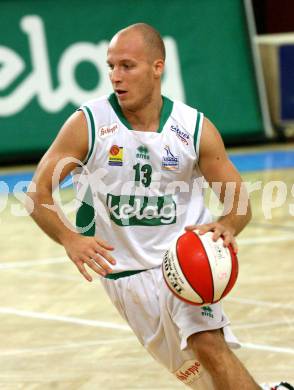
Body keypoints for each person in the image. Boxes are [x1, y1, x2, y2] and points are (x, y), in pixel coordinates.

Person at [27, 23, 293, 390]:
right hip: (124, 277)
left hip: (183, 263)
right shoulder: (89, 124)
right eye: (111, 66)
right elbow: (37, 192)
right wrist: (69, 238)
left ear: (157, 67)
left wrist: (228, 225)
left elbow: (238, 202)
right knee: (201, 379)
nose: (115, 77)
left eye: (127, 66)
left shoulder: (193, 127)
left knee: (210, 346)